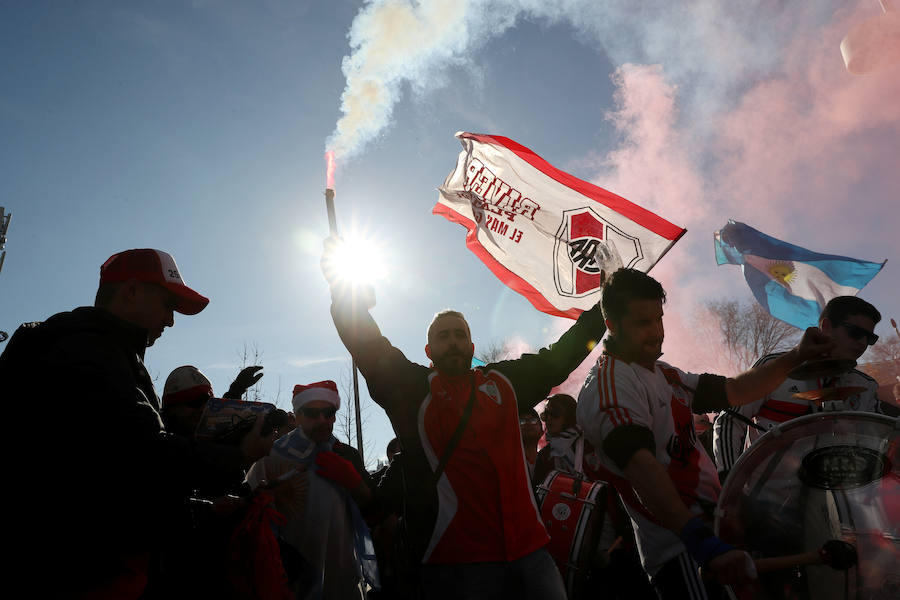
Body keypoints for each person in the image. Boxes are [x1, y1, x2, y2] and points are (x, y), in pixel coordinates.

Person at [322, 236, 608, 600]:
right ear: (429, 351)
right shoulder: (412, 392)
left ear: (473, 347)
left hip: (531, 550)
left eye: (461, 335)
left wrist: (604, 303)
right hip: (456, 561)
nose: (453, 342)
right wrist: (341, 289)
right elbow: (368, 344)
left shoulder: (503, 382)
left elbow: (560, 357)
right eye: (444, 337)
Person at [0, 248, 273, 598]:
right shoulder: (88, 351)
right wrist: (240, 454)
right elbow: (142, 456)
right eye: (167, 305)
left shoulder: (92, 349)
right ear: (130, 291)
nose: (171, 321)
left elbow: (110, 474)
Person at [575, 268, 833, 599]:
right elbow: (642, 470)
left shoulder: (663, 372)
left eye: (659, 319)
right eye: (643, 323)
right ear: (611, 325)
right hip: (682, 552)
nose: (656, 332)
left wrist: (797, 356)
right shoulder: (609, 387)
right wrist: (702, 542)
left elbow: (737, 390)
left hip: (714, 534)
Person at [712, 295, 886, 481]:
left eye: (870, 338)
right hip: (765, 499)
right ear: (826, 326)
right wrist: (730, 480)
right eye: (855, 333)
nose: (862, 343)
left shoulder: (865, 386)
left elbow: (877, 443)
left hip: (835, 502)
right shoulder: (775, 368)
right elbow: (730, 421)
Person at [246, 380, 378, 600]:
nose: (322, 420)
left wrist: (355, 484)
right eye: (311, 413)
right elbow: (248, 514)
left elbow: (373, 510)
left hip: (342, 583)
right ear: (296, 415)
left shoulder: (345, 454)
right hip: (289, 582)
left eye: (328, 413)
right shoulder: (271, 455)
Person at [519, 407, 543, 480]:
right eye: (521, 421)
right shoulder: (509, 462)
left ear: (542, 431)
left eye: (533, 420)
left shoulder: (548, 460)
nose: (528, 424)